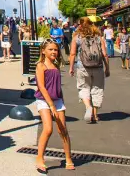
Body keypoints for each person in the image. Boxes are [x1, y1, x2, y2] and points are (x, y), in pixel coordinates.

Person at [35, 39, 75, 173]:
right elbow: (41, 87)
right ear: (43, 51)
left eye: (56, 50)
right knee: (48, 129)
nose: (54, 52)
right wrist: (51, 106)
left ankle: (68, 158)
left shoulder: (56, 66)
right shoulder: (41, 66)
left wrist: (61, 101)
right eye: (50, 49)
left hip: (57, 101)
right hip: (44, 100)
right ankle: (40, 158)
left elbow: (57, 86)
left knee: (63, 129)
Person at [69, 17, 110, 123]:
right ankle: (95, 115)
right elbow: (105, 54)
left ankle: (88, 107)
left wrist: (71, 68)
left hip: (83, 67)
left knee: (84, 87)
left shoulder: (77, 37)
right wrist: (107, 68)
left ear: (80, 25)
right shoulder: (98, 38)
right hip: (98, 66)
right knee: (97, 89)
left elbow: (72, 54)